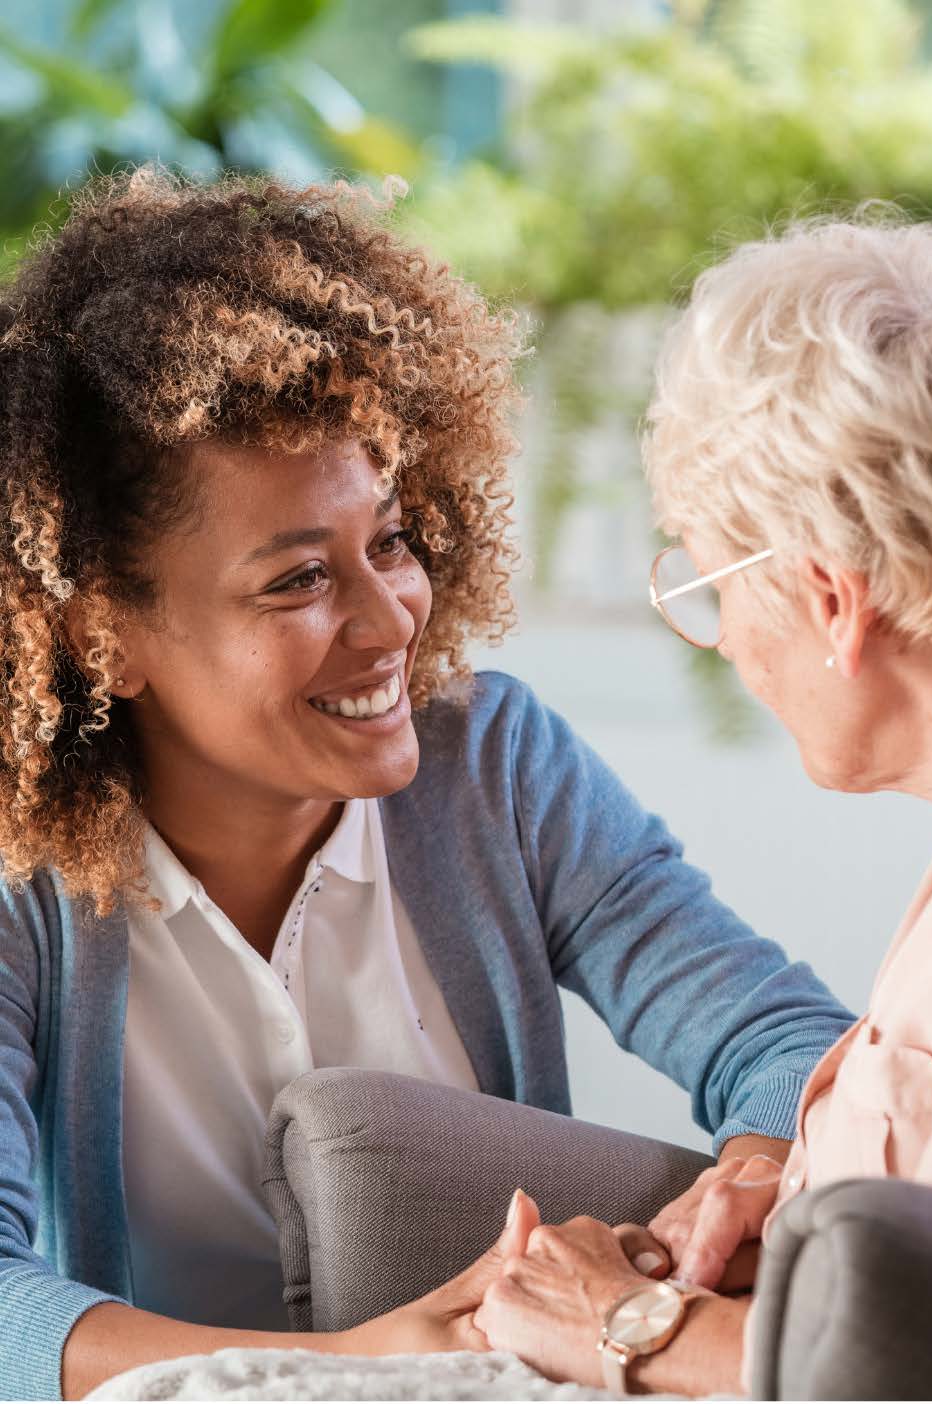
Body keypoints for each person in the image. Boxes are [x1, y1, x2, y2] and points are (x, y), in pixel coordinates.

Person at [0, 169, 851, 1401]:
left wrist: (745, 1191)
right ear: (100, 636)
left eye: (389, 543)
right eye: (296, 581)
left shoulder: (493, 767)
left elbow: (781, 1038)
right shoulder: (23, 873)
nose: (390, 616)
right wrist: (342, 1372)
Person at [474, 210, 932, 1395]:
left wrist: (630, 1325)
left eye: (711, 579)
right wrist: (784, 1186)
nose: (720, 642)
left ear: (832, 599)